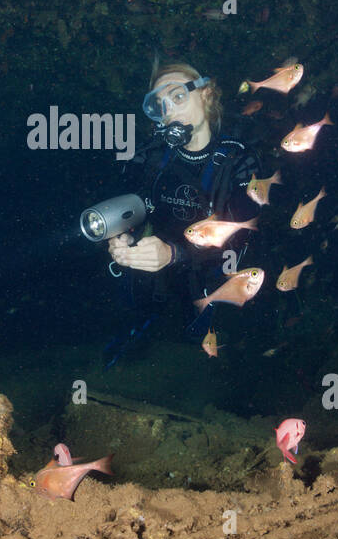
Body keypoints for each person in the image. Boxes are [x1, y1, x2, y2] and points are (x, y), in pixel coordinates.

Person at [106, 61, 265, 344]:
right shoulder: (151, 157)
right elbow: (134, 205)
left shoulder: (239, 160)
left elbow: (243, 237)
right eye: (159, 106)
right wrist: (121, 238)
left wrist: (174, 254)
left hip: (217, 282)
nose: (169, 112)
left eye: (177, 97)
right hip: (162, 286)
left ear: (205, 94)